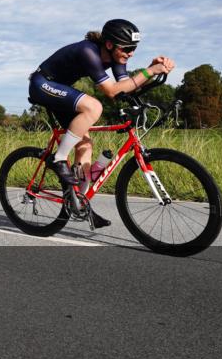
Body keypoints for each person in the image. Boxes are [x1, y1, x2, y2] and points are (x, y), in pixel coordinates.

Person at [29, 19, 175, 228]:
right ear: (109, 45)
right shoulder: (88, 51)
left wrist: (151, 69)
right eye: (128, 48)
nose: (131, 53)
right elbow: (111, 91)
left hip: (61, 89)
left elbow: (124, 87)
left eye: (134, 48)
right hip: (42, 84)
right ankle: (58, 158)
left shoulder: (118, 56)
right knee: (94, 107)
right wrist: (150, 71)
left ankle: (79, 203)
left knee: (85, 146)